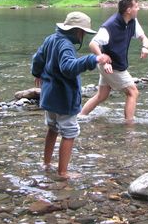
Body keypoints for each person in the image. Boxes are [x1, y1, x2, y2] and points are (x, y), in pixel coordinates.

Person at [31, 11, 111, 178]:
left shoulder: (50, 39)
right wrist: (93, 60)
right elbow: (68, 67)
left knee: (52, 128)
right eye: (83, 33)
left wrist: (37, 73)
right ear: (78, 32)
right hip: (63, 98)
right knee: (69, 133)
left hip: (49, 95)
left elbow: (38, 57)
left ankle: (46, 163)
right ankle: (63, 172)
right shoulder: (66, 45)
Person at [80, 0, 148, 122]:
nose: (139, 9)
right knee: (133, 92)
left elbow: (144, 37)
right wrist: (102, 58)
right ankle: (129, 126)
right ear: (129, 10)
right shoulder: (110, 26)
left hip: (111, 65)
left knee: (102, 95)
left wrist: (145, 47)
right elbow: (93, 44)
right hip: (111, 66)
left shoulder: (133, 21)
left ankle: (80, 116)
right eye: (136, 6)